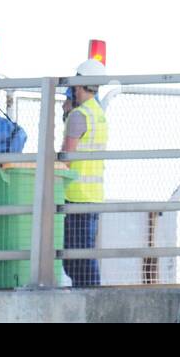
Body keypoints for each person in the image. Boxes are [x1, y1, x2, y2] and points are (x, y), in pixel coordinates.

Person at [63, 59, 108, 287]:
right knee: (83, 254)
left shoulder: (78, 116)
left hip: (76, 195)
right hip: (94, 194)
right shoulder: (98, 113)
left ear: (78, 85)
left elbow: (65, 159)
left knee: (74, 259)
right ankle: (90, 295)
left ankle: (91, 297)